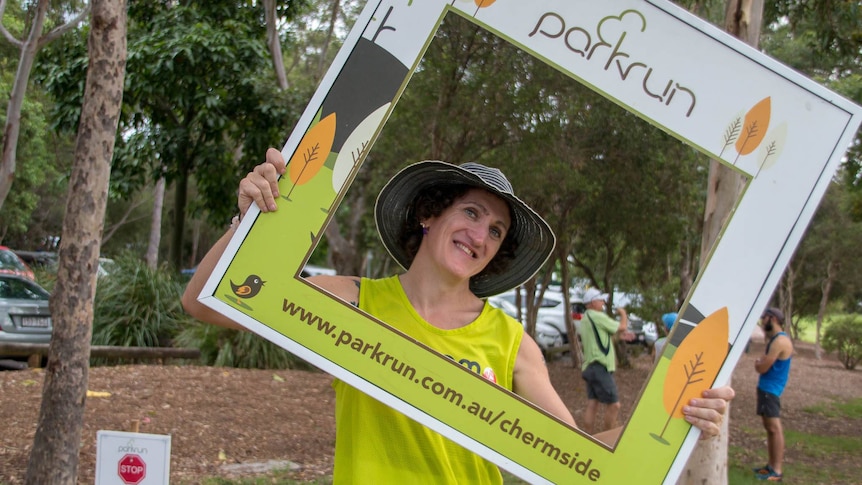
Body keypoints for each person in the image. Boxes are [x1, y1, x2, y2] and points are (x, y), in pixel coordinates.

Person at [183, 148, 735, 483]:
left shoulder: (511, 340)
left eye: (496, 230)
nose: (481, 235)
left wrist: (673, 418)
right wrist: (251, 218)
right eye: (471, 212)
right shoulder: (354, 301)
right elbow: (204, 301)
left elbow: (578, 463)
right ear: (429, 214)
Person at [577, 288, 634, 434]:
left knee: (593, 403)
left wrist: (620, 337)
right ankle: (606, 438)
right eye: (601, 300)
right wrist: (623, 313)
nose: (603, 303)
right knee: (614, 405)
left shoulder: (586, 319)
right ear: (593, 302)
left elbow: (599, 339)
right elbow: (622, 326)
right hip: (599, 367)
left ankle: (589, 437)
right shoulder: (597, 316)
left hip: (589, 366)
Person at [752, 307, 793, 482]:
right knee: (770, 429)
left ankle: (776, 470)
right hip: (767, 389)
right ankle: (770, 466)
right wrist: (760, 361)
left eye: (764, 318)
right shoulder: (776, 340)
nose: (762, 321)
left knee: (774, 429)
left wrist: (758, 363)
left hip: (771, 390)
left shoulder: (780, 342)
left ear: (773, 319)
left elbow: (762, 366)